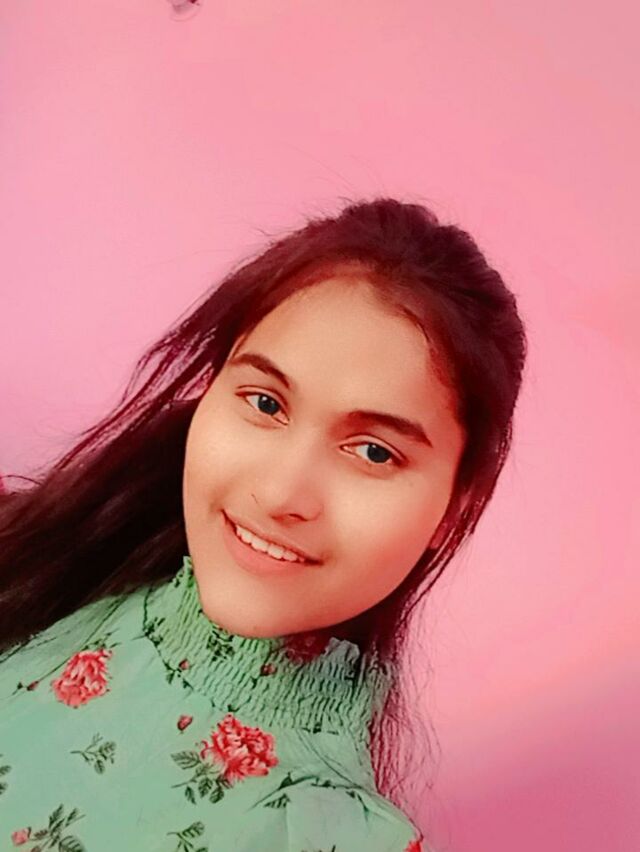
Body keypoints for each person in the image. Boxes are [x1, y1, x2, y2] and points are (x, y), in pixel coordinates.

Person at [0, 197, 527, 851]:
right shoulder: (39, 558)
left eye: (373, 452)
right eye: (266, 402)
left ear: (454, 511)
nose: (281, 493)